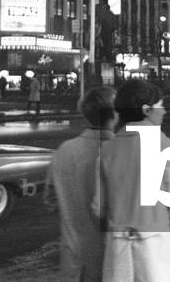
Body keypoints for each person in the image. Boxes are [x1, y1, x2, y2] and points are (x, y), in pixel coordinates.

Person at [96, 79, 170, 282]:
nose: (164, 111)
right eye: (161, 106)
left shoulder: (107, 151)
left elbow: (98, 208)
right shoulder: (167, 148)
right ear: (147, 110)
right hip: (156, 255)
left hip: (118, 254)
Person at [45, 86, 117, 282]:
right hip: (112, 259)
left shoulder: (63, 150)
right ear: (115, 114)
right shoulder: (121, 154)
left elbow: (51, 201)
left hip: (73, 256)